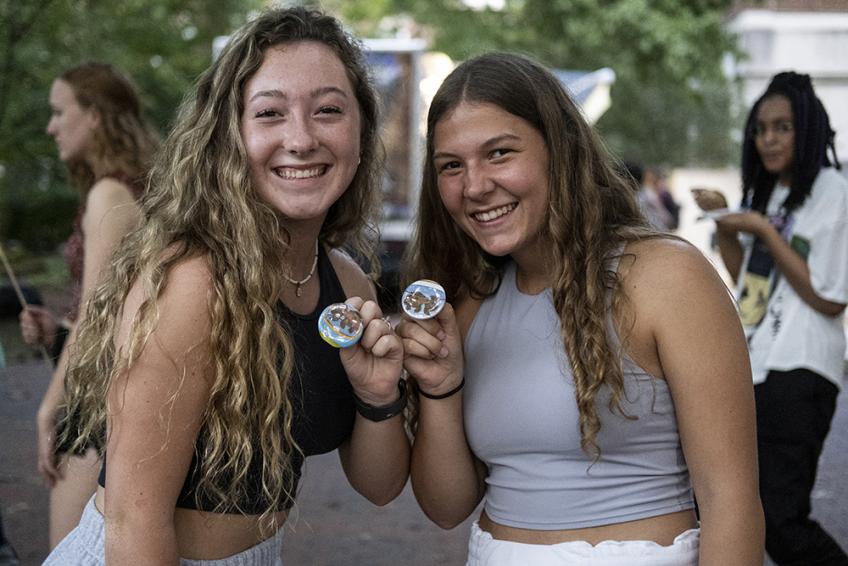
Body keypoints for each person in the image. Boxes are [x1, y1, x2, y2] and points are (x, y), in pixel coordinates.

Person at [42, 7, 409, 564]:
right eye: (269, 113)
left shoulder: (346, 280)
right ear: (229, 135)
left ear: (360, 130)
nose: (301, 138)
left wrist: (379, 396)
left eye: (328, 110)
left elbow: (379, 487)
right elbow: (132, 519)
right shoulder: (193, 281)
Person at [399, 52, 764, 565]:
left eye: (500, 153)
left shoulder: (665, 277)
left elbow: (732, 502)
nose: (474, 186)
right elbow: (445, 507)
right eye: (451, 166)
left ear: (560, 150)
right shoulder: (467, 304)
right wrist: (440, 389)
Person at [693, 71, 848, 565]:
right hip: (756, 367)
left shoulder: (833, 190)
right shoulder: (773, 196)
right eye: (761, 129)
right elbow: (751, 289)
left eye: (782, 127)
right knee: (729, 505)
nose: (769, 139)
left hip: (801, 368)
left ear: (808, 130)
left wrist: (761, 227)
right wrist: (728, 226)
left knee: (780, 519)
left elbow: (829, 295)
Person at [17, 62, 158, 548]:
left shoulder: (109, 194)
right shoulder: (134, 187)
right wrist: (56, 328)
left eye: (60, 112)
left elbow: (99, 321)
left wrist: (47, 411)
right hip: (121, 388)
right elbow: (115, 307)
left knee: (68, 552)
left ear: (95, 116)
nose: (51, 126)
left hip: (99, 401)